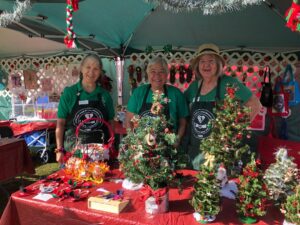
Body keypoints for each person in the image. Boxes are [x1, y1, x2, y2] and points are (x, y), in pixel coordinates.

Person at [184, 43, 262, 170]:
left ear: (218, 65)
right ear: (198, 66)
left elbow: (255, 104)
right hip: (196, 152)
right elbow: (182, 110)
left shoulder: (229, 83)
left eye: (211, 61)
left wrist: (235, 130)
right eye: (202, 61)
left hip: (220, 153)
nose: (206, 65)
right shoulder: (194, 87)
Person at [55, 54, 115, 165]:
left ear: (100, 72)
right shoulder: (69, 93)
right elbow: (60, 124)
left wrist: (112, 146)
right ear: (81, 68)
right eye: (88, 67)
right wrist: (59, 150)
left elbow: (111, 122)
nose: (91, 72)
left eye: (96, 69)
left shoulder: (105, 95)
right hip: (74, 154)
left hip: (100, 155)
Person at [125, 57, 189, 146]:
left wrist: (177, 141)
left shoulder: (176, 94)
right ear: (148, 74)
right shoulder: (139, 93)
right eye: (153, 71)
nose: (157, 75)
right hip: (141, 147)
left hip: (168, 147)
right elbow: (128, 120)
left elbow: (183, 122)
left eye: (161, 72)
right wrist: (134, 143)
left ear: (167, 74)